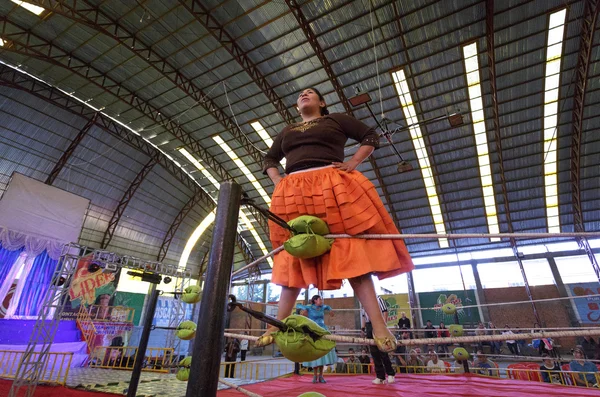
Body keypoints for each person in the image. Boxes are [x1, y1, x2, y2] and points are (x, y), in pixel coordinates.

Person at [259, 87, 414, 354]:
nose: (304, 95)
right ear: (297, 106)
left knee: (351, 250)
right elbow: (270, 158)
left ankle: (378, 324)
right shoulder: (287, 130)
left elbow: (370, 136)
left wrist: (354, 161)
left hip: (333, 183)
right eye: (300, 95)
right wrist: (278, 180)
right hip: (292, 191)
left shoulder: (337, 119)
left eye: (310, 93)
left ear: (322, 102)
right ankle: (275, 325)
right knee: (294, 252)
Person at [296, 295, 337, 383]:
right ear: (315, 300)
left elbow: (328, 307)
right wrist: (305, 309)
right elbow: (298, 305)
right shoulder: (310, 307)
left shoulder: (322, 307)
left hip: (322, 329)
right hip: (313, 330)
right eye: (320, 299)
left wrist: (330, 310)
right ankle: (314, 375)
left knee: (322, 353)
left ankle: (321, 376)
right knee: (314, 351)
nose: (321, 301)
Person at [362, 296, 395, 384]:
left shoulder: (378, 299)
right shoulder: (363, 301)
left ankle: (390, 374)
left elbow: (385, 312)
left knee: (383, 351)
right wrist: (363, 328)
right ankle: (380, 376)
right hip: (369, 326)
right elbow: (363, 316)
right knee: (374, 353)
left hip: (378, 324)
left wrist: (383, 325)